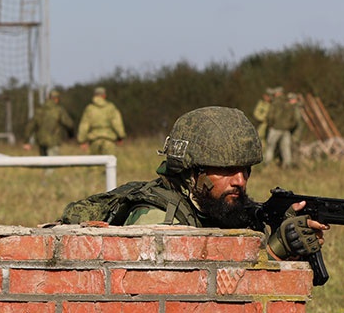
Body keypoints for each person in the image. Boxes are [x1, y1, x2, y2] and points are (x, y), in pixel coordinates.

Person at [59, 106, 325, 262]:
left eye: (245, 171)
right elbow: (182, 301)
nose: (240, 182)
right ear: (190, 173)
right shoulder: (157, 219)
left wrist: (291, 246)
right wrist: (272, 252)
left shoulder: (222, 208)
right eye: (226, 171)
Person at [22, 89, 75, 156]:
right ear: (56, 99)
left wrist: (26, 141)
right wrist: (71, 135)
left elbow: (30, 126)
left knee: (44, 164)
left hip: (41, 142)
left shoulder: (39, 110)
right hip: (53, 143)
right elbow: (69, 124)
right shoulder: (58, 110)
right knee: (53, 164)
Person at [76, 86, 125, 156]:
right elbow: (117, 123)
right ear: (104, 96)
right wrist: (121, 136)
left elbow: (84, 125)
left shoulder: (90, 108)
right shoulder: (111, 107)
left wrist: (82, 141)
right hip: (109, 140)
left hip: (94, 140)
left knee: (93, 164)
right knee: (110, 164)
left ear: (94, 95)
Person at [264, 88, 304, 167]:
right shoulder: (288, 103)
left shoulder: (275, 103)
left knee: (270, 147)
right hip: (286, 130)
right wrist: (289, 126)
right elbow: (294, 119)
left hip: (275, 129)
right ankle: (287, 165)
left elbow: (270, 116)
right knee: (286, 149)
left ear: (277, 94)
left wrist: (271, 125)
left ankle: (267, 164)